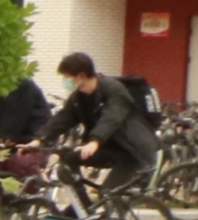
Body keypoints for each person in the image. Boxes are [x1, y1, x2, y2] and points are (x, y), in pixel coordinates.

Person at [45, 50, 157, 192]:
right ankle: (81, 204)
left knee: (108, 193)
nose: (65, 80)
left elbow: (111, 118)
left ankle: (115, 204)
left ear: (81, 76)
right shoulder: (79, 98)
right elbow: (63, 118)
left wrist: (95, 140)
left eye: (67, 76)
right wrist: (39, 139)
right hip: (107, 148)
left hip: (132, 152)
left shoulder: (114, 90)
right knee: (70, 159)